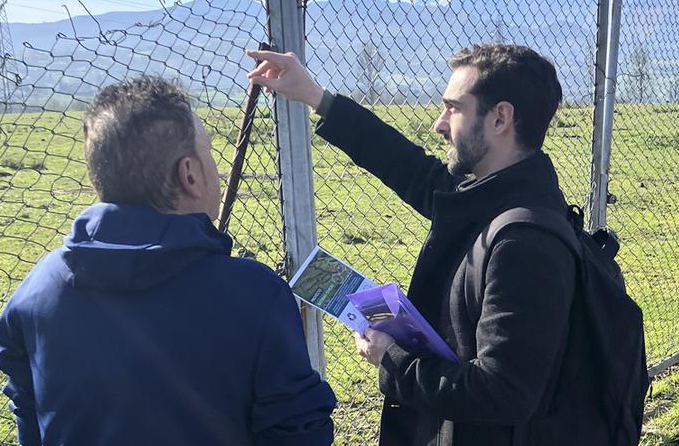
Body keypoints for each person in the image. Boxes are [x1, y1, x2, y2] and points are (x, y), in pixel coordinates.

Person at [247, 44, 604, 446]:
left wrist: (391, 359)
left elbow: (503, 393)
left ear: (501, 118)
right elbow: (407, 166)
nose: (439, 123)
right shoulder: (493, 196)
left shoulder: (524, 244)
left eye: (454, 108)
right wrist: (316, 96)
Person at [0, 76, 336, 446]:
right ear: (189, 174)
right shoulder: (257, 295)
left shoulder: (34, 295)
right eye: (210, 155)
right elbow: (299, 432)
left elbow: (29, 414)